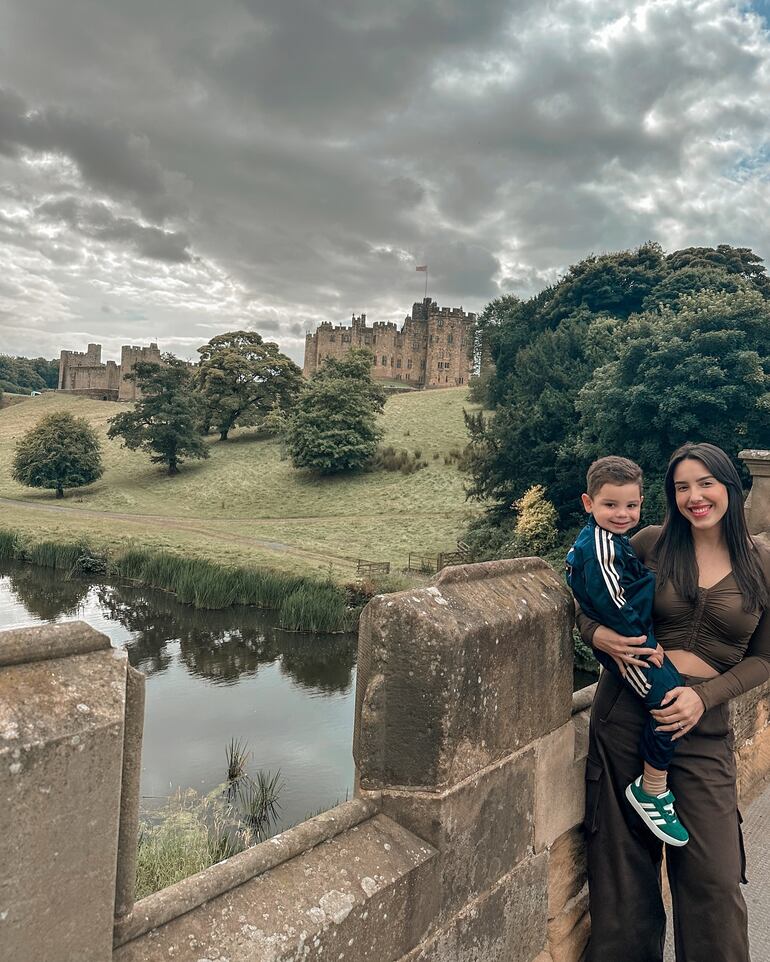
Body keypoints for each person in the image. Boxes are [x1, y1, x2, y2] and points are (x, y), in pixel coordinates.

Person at [577, 442, 770, 962]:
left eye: (705, 483)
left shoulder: (763, 564)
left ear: (730, 485)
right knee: (622, 881)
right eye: (681, 487)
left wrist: (704, 697)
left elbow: (766, 657)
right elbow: (587, 600)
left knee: (715, 881)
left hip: (702, 732)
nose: (694, 497)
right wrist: (597, 635)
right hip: (623, 719)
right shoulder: (649, 543)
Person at [566, 456, 688, 846]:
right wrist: (646, 643)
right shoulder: (601, 545)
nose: (623, 514)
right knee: (670, 703)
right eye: (611, 505)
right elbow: (614, 603)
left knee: (671, 697)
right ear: (589, 503)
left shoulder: (611, 540)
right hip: (633, 649)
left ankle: (655, 785)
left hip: (639, 641)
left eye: (631, 506)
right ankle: (651, 790)